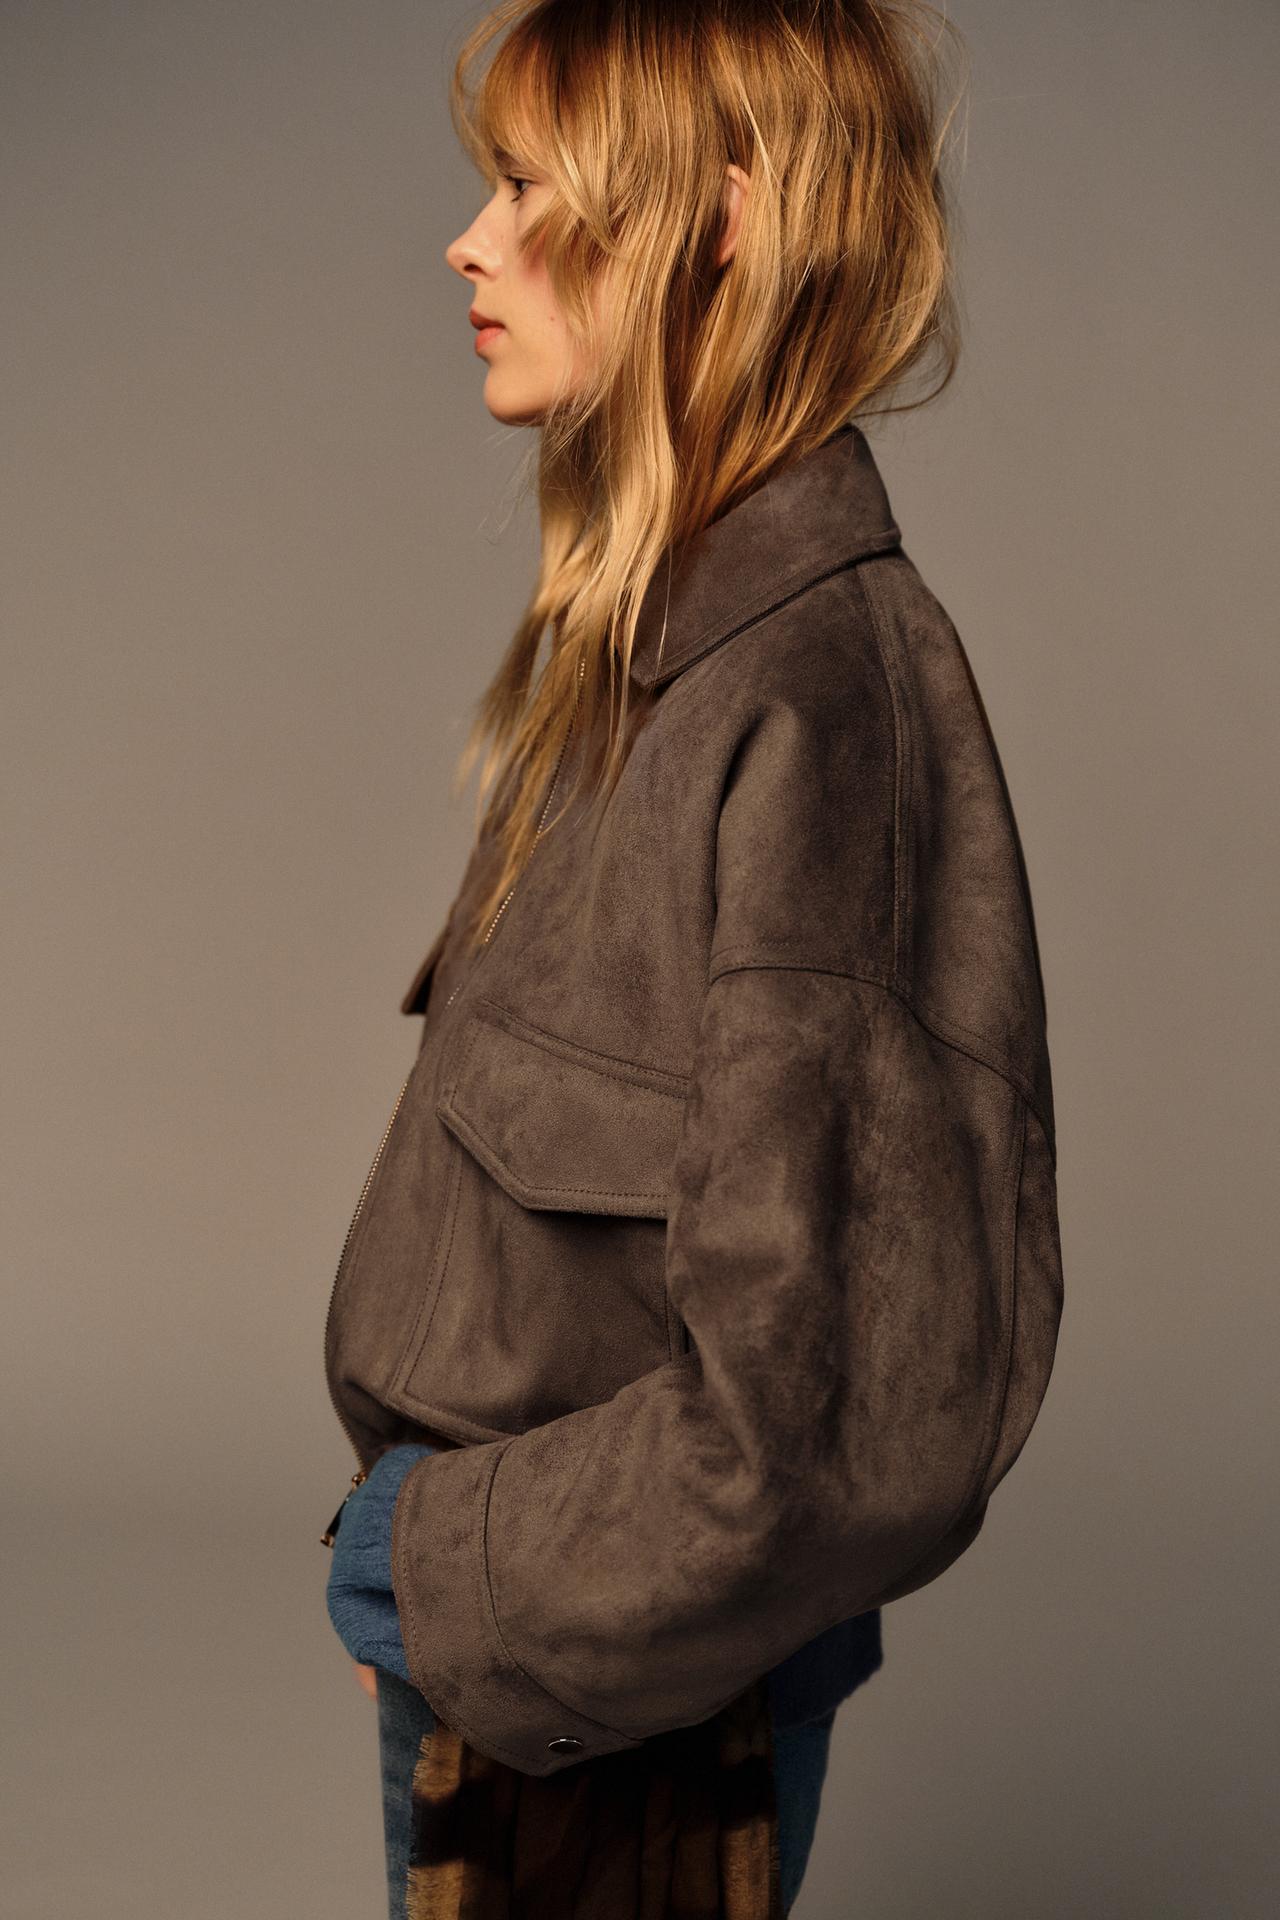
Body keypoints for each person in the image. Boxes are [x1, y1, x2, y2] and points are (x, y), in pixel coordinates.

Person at [321, 3, 1064, 1915]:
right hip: (529, 1674)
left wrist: (430, 1563)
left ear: (716, 220)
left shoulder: (818, 699)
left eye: (524, 188)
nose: (468, 243)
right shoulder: (655, 658)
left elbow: (815, 1427)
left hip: (633, 1705)